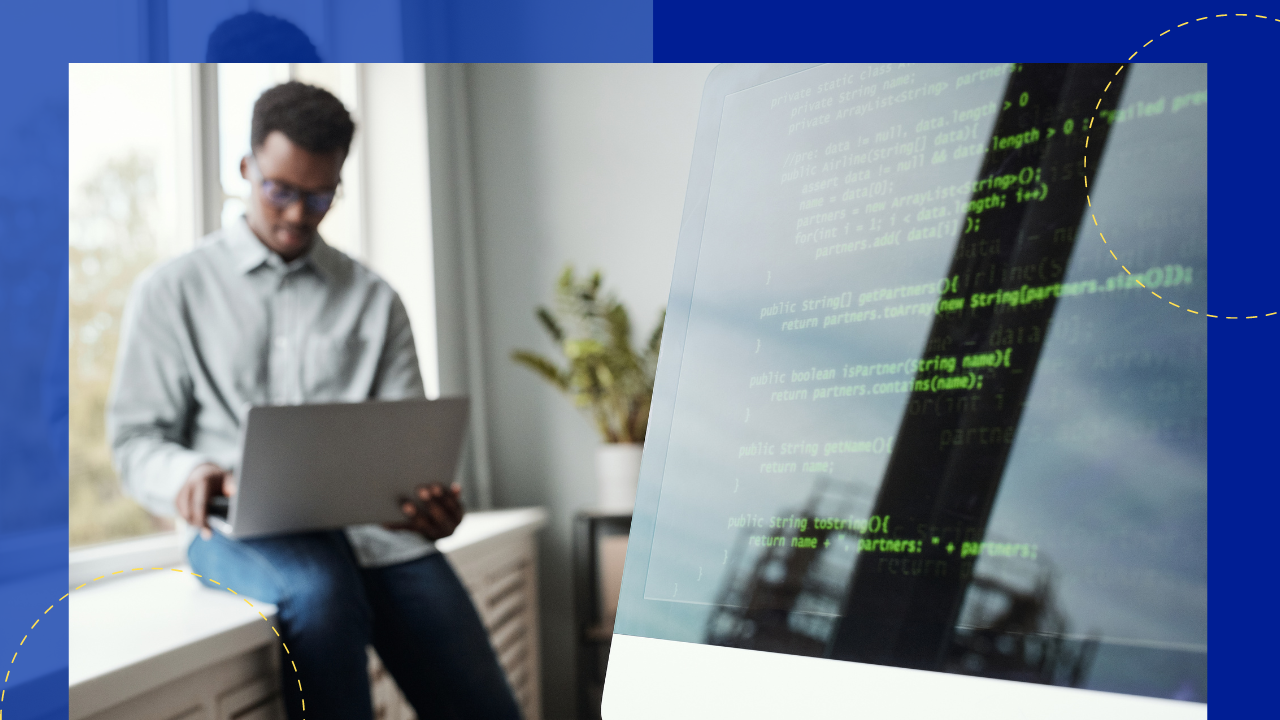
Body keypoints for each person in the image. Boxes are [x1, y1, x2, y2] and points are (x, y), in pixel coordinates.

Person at [107, 81, 522, 720]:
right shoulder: (172, 292)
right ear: (246, 169)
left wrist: (425, 506)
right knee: (323, 593)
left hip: (378, 541)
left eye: (320, 195)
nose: (299, 213)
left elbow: (407, 449)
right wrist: (189, 472)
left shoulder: (375, 300)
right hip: (238, 530)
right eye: (281, 190)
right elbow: (136, 441)